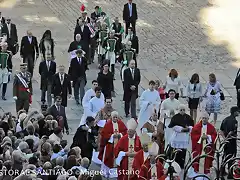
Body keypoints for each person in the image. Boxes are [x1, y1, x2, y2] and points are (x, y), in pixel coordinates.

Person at [99, 111, 127, 178]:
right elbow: (104, 134)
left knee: (118, 159)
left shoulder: (120, 123)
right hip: (110, 145)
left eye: (116, 117)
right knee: (109, 159)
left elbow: (125, 131)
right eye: (113, 117)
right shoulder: (108, 124)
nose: (115, 118)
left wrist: (120, 135)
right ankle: (107, 173)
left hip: (119, 145)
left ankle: (117, 173)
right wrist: (112, 136)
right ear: (111, 117)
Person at [168, 104, 194, 169]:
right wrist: (181, 129)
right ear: (179, 110)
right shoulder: (175, 117)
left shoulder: (188, 117)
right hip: (177, 137)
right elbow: (173, 126)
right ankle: (175, 165)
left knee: (183, 152)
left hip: (184, 138)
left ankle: (182, 165)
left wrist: (189, 128)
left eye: (183, 110)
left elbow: (192, 126)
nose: (182, 111)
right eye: (181, 110)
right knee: (176, 152)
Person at [220, 106, 239, 179]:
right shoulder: (234, 121)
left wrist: (224, 139)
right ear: (234, 112)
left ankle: (222, 171)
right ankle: (230, 175)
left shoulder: (225, 119)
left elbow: (221, 131)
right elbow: (231, 132)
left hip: (226, 142)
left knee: (225, 156)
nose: (238, 112)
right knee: (231, 157)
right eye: (237, 111)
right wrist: (229, 137)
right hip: (231, 141)